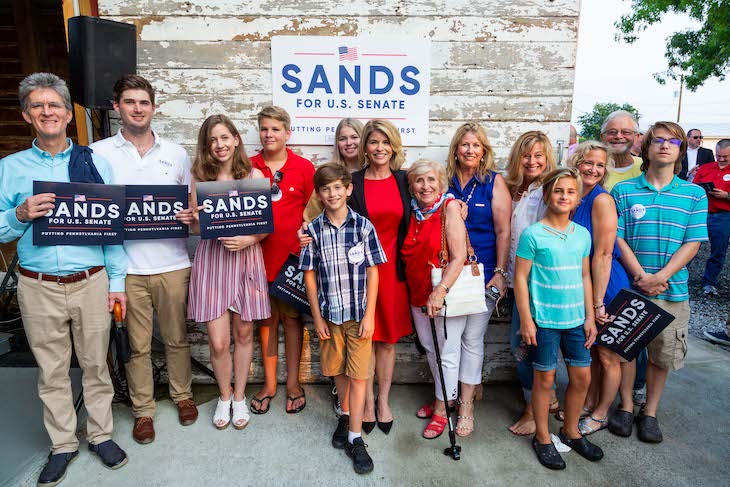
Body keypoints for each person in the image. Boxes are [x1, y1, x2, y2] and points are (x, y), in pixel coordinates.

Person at [0, 73, 128, 486]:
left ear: (67, 114)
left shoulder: (94, 163)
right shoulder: (9, 169)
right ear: (26, 115)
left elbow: (113, 227)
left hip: (90, 280)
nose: (47, 112)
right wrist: (18, 215)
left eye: (54, 105)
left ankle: (101, 435)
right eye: (38, 106)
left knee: (95, 364)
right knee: (52, 370)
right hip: (37, 284)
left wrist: (117, 281)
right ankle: (62, 445)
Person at [90, 75, 197, 444]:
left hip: (172, 263)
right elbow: (90, 208)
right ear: (117, 107)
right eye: (130, 102)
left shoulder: (176, 153)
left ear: (153, 107)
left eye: (144, 102)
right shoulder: (97, 152)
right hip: (125, 270)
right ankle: (143, 411)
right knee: (135, 345)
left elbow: (191, 205)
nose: (137, 108)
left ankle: (183, 396)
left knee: (177, 339)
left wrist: (189, 216)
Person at [609, 122, 708, 443]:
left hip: (671, 291)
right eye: (659, 140)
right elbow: (617, 237)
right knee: (624, 351)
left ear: (681, 151)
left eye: (674, 142)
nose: (665, 146)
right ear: (647, 147)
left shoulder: (694, 194)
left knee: (660, 355)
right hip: (629, 287)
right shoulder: (623, 192)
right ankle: (625, 405)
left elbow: (692, 243)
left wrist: (660, 277)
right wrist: (640, 275)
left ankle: (649, 412)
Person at [178, 115, 271, 429]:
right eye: (212, 140)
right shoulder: (199, 178)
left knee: (244, 334)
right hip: (213, 260)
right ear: (207, 146)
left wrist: (248, 238)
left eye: (224, 137)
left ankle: (241, 396)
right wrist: (190, 219)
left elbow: (263, 227)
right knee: (218, 342)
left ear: (236, 139)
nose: (219, 145)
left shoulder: (254, 174)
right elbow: (196, 229)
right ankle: (224, 395)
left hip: (246, 258)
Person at [419, 122, 510, 437]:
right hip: (446, 274)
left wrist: (500, 272)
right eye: (465, 144)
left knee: (472, 340)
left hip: (480, 275)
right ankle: (447, 399)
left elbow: (503, 230)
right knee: (447, 342)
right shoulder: (444, 182)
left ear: (484, 150)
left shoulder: (494, 182)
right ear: (456, 148)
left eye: (476, 145)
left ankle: (467, 405)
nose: (470, 150)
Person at [300, 163, 386, 474]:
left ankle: (355, 435)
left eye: (338, 187)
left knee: (360, 374)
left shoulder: (363, 227)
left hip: (358, 315)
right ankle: (345, 414)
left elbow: (374, 271)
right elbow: (309, 277)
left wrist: (370, 314)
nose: (333, 193)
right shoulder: (312, 230)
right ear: (319, 194)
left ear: (348, 189)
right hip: (330, 315)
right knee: (336, 369)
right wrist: (318, 316)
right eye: (326, 189)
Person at [514, 167, 602, 470]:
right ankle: (542, 437)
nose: (564, 196)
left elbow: (585, 276)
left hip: (576, 319)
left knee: (582, 377)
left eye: (570, 191)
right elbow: (522, 278)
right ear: (548, 195)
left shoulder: (582, 235)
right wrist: (527, 319)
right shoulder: (533, 234)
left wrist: (590, 316)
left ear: (577, 198)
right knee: (545, 379)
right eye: (558, 190)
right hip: (545, 321)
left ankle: (571, 430)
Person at [401, 159, 480, 439]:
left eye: (431, 180)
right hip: (417, 292)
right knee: (430, 348)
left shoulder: (449, 209)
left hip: (444, 293)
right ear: (411, 186)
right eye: (419, 181)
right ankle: (444, 397)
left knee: (447, 353)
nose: (425, 186)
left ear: (441, 183)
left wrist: (441, 290)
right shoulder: (412, 212)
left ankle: (441, 410)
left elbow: (458, 257)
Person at [250, 106, 315, 414]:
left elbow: (314, 212)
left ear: (288, 133)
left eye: (275, 129)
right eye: (264, 129)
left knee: (291, 320)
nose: (269, 134)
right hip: (255, 258)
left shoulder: (303, 168)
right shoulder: (248, 166)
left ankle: (293, 383)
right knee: (265, 321)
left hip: (292, 260)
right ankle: (270, 383)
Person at [566, 142, 631, 435]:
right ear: (576, 163)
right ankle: (590, 400)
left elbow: (604, 254)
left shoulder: (601, 200)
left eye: (600, 165)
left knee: (608, 355)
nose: (593, 169)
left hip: (605, 285)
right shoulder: (574, 195)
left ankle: (603, 412)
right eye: (588, 162)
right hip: (583, 281)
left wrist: (598, 303)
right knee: (592, 350)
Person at [503, 131, 557, 436]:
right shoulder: (513, 188)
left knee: (530, 345)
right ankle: (544, 401)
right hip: (514, 280)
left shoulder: (548, 190)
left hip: (539, 283)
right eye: (527, 155)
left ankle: (534, 410)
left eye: (538, 155)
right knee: (523, 345)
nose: (532, 161)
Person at [693, 139, 730, 296]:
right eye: (718, 156)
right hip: (701, 214)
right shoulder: (706, 168)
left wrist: (726, 196)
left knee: (718, 251)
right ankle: (677, 278)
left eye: (725, 157)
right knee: (690, 246)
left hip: (723, 216)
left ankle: (709, 283)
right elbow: (694, 188)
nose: (721, 159)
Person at [601, 110, 643, 192]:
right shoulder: (594, 170)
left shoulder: (646, 168)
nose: (618, 136)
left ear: (636, 137)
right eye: (612, 132)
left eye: (626, 132)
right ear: (602, 137)